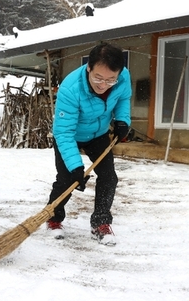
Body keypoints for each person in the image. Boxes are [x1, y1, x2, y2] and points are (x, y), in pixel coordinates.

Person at [46, 43, 132, 246]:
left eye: (111, 80)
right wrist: (76, 166)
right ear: (88, 68)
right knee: (67, 179)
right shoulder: (70, 88)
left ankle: (100, 222)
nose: (103, 84)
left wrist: (122, 120)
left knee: (109, 177)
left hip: (99, 133)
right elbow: (63, 131)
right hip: (70, 135)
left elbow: (124, 98)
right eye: (98, 78)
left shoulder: (122, 77)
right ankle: (53, 219)